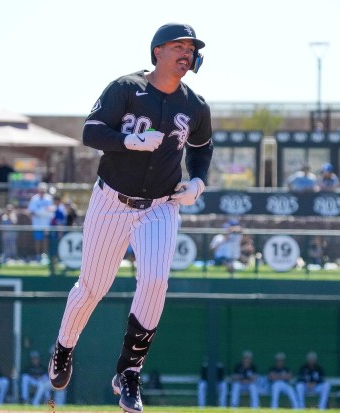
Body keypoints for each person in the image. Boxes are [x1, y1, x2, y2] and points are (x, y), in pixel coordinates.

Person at [47, 23, 212, 413]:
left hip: (160, 206)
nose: (186, 52)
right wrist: (128, 141)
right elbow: (90, 132)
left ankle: (129, 372)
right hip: (112, 201)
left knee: (155, 280)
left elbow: (202, 149)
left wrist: (199, 182)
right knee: (92, 287)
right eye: (179, 45)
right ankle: (64, 346)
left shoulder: (196, 104)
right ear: (158, 51)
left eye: (191, 47)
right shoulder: (126, 87)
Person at [27, 182, 53, 262]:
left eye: (43, 191)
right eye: (41, 191)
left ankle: (44, 255)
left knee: (45, 240)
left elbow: (51, 210)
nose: (42, 192)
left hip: (46, 223)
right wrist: (37, 214)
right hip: (37, 224)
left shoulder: (49, 198)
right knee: (37, 240)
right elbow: (31, 211)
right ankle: (38, 255)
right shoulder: (34, 199)